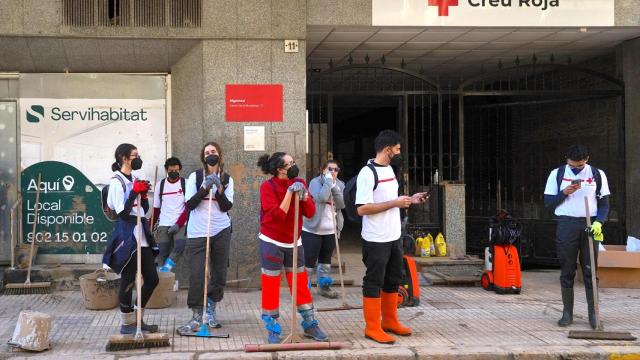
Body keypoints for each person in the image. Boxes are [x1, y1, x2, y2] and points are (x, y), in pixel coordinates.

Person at [355, 130, 428, 344]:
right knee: (374, 281)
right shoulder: (367, 173)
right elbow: (362, 209)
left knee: (393, 280)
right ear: (388, 150)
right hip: (376, 238)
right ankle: (372, 327)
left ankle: (389, 320)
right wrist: (394, 203)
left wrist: (409, 200)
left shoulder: (389, 169)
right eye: (397, 149)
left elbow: (389, 199)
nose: (399, 153)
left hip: (394, 235)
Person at [257, 152, 328, 344]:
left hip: (294, 242)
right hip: (271, 241)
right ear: (280, 169)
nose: (294, 166)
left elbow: (311, 213)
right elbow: (278, 215)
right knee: (271, 285)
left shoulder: (300, 183)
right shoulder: (267, 188)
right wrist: (289, 192)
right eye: (290, 164)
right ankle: (272, 327)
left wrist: (304, 196)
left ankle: (309, 323)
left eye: (294, 162)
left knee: (300, 283)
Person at [544, 144, 610, 329]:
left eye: (579, 167)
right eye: (573, 166)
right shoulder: (556, 174)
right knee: (567, 270)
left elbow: (604, 204)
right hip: (566, 224)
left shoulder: (597, 174)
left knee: (591, 271)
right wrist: (564, 193)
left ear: (586, 160)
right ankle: (567, 313)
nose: (576, 170)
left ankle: (594, 314)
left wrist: (599, 223)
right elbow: (548, 204)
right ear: (567, 160)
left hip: (590, 224)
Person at [102, 143, 159, 335]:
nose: (138, 158)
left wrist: (143, 196)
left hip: (142, 235)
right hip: (128, 236)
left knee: (152, 279)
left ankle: (138, 318)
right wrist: (134, 192)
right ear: (124, 158)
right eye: (134, 155)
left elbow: (143, 211)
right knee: (128, 279)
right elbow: (123, 214)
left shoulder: (135, 178)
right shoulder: (116, 182)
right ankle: (127, 323)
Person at [177, 142, 234, 334]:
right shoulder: (194, 177)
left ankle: (210, 309)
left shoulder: (227, 178)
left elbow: (226, 207)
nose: (211, 155)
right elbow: (190, 205)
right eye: (207, 152)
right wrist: (203, 188)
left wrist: (218, 189)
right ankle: (196, 314)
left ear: (220, 155)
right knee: (197, 273)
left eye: (214, 152)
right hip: (198, 231)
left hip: (221, 230)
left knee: (219, 273)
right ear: (203, 156)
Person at [302, 160, 345, 299]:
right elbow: (321, 197)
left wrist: (334, 188)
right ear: (323, 170)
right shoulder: (315, 182)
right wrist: (328, 182)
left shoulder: (340, 184)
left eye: (336, 169)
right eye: (330, 169)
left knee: (325, 261)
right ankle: (303, 290)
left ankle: (323, 288)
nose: (333, 172)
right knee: (309, 260)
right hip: (312, 229)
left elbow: (341, 204)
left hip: (331, 229)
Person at [153, 157, 188, 272]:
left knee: (179, 246)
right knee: (162, 251)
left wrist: (178, 224)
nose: (173, 173)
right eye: (171, 171)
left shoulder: (185, 183)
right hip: (163, 223)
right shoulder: (160, 185)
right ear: (166, 170)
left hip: (181, 223)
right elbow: (156, 208)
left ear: (180, 170)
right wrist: (151, 225)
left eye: (176, 170)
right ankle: (161, 281)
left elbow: (188, 208)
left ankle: (166, 269)